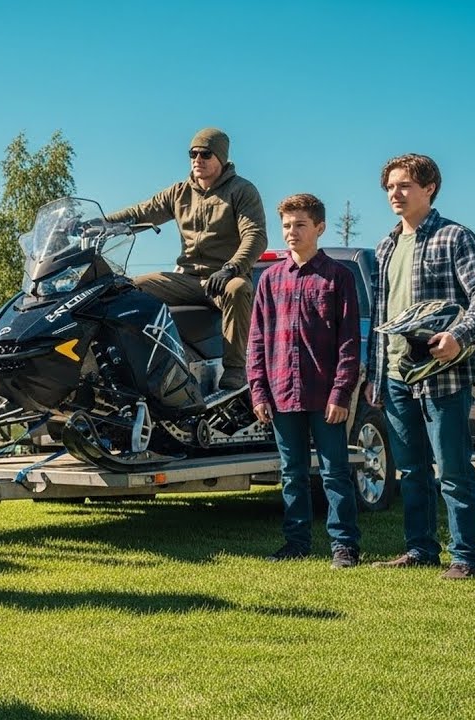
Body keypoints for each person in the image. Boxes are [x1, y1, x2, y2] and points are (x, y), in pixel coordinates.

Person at [365, 153, 475, 580]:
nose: (395, 193)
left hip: (444, 374)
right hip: (394, 376)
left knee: (454, 470)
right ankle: (421, 549)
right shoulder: (386, 246)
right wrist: (374, 376)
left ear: (429, 188)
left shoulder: (455, 237)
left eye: (404, 185)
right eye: (390, 186)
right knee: (410, 470)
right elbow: (382, 318)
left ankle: (466, 558)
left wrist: (459, 335)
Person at [103, 128, 267, 390]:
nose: (197, 159)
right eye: (193, 153)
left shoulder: (242, 191)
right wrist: (98, 224)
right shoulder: (179, 193)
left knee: (239, 289)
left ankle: (236, 369)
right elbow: (140, 213)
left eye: (205, 154)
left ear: (221, 158)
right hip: (187, 280)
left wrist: (231, 269)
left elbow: (255, 236)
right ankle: (130, 366)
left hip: (223, 279)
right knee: (127, 288)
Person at [247, 194, 362, 568]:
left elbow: (348, 342)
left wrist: (341, 392)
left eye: (299, 225)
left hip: (325, 393)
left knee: (334, 473)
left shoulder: (338, 277)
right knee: (291, 474)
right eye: (286, 226)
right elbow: (257, 341)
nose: (291, 232)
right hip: (281, 394)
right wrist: (259, 391)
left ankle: (344, 546)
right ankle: (296, 543)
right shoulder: (270, 280)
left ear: (319, 228)